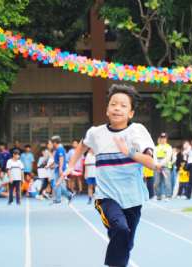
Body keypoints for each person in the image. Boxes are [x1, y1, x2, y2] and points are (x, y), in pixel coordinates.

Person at [66, 84, 156, 267]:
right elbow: (83, 146)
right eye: (113, 104)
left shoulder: (137, 131)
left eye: (123, 105)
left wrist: (129, 152)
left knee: (126, 242)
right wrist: (70, 166)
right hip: (106, 198)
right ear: (107, 109)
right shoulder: (96, 133)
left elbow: (150, 163)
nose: (117, 108)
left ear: (131, 113)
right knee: (121, 229)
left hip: (133, 199)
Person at [51, 135, 74, 204]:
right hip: (57, 169)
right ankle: (69, 195)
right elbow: (56, 160)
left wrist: (61, 169)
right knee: (58, 184)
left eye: (52, 142)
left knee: (57, 184)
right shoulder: (58, 149)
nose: (52, 144)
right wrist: (49, 165)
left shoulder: (60, 149)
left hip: (59, 169)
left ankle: (58, 199)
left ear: (55, 142)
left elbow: (61, 159)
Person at [154, 132, 173, 200]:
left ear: (166, 139)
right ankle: (158, 196)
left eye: (164, 138)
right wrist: (157, 164)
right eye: (162, 138)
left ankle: (168, 195)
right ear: (160, 138)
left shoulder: (169, 147)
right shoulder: (156, 147)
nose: (163, 139)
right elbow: (154, 157)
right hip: (157, 166)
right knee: (157, 182)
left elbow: (168, 157)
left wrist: (161, 164)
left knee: (167, 181)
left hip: (165, 166)